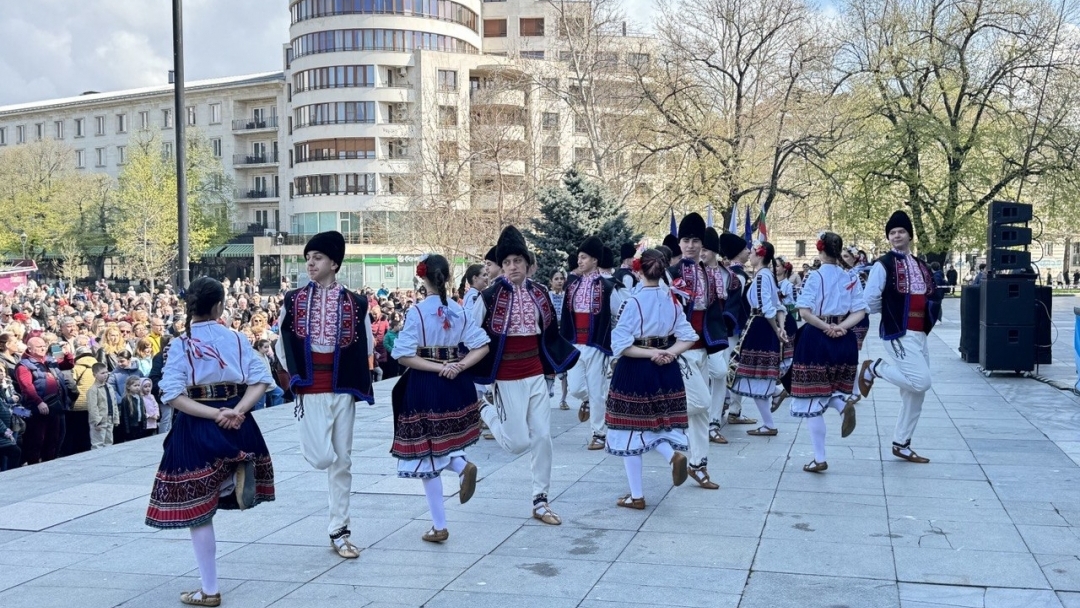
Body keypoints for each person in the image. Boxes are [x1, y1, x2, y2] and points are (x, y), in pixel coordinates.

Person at [146, 276, 275, 607]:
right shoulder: (234, 337)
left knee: (199, 513)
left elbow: (172, 394)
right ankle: (234, 477)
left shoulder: (181, 343)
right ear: (219, 306)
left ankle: (210, 588)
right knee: (224, 475)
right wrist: (237, 411)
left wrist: (212, 415)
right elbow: (262, 379)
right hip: (239, 423)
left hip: (197, 425)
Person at [471, 226, 579, 525]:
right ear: (501, 267)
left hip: (534, 374)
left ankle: (540, 499)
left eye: (517, 260)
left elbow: (550, 333)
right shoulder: (490, 296)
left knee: (543, 437)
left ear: (527, 263)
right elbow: (471, 333)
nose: (512, 267)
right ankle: (482, 408)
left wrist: (556, 364)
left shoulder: (540, 293)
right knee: (517, 443)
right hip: (505, 378)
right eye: (507, 262)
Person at [276, 231, 374, 559]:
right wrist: (294, 377)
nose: (310, 263)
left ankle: (340, 529)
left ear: (334, 263)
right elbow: (281, 343)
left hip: (341, 387)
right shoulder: (294, 299)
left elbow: (367, 344)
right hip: (309, 388)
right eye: (308, 258)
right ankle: (338, 517)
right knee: (321, 457)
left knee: (343, 460)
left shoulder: (356, 302)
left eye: (317, 258)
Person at [391, 254, 489, 542]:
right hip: (456, 385)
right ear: (446, 278)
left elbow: (404, 355)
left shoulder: (418, 312)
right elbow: (482, 345)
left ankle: (440, 524)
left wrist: (439, 367)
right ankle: (459, 469)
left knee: (426, 453)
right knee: (440, 446)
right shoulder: (459, 310)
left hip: (426, 385)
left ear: (423, 278)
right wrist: (458, 365)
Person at [605, 249, 696, 509]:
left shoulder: (632, 301)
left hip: (636, 369)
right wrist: (667, 352)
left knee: (630, 430)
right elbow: (688, 337)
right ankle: (671, 455)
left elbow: (621, 345)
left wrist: (651, 352)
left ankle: (637, 495)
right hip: (666, 370)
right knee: (657, 424)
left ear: (638, 270)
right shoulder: (672, 298)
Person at [859, 210, 943, 464]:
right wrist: (889, 311)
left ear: (909, 235)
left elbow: (929, 294)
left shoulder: (920, 264)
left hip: (919, 332)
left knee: (915, 393)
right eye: (892, 232)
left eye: (901, 231)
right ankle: (875, 368)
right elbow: (870, 299)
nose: (896, 235)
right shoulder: (883, 265)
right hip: (899, 331)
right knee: (921, 382)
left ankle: (901, 443)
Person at [789, 232, 867, 472]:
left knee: (810, 399)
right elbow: (861, 311)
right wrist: (841, 327)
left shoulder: (815, 276)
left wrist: (826, 327)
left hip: (816, 339)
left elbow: (804, 311)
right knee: (829, 389)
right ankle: (843, 406)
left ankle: (819, 457)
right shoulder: (850, 277)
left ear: (821, 251)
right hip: (844, 342)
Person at [668, 213, 726, 490]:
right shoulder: (673, 272)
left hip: (702, 347)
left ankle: (698, 463)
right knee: (701, 402)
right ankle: (667, 439)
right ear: (679, 243)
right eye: (686, 240)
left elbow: (714, 311)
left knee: (700, 412)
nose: (690, 246)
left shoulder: (707, 272)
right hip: (682, 349)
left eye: (695, 241)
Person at [562, 236, 624, 450]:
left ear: (595, 260)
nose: (580, 261)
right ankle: (590, 400)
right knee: (576, 388)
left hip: (596, 343)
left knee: (597, 390)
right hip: (574, 343)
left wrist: (616, 339)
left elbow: (622, 312)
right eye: (579, 257)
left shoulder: (608, 286)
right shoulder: (572, 285)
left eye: (584, 257)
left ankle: (599, 433)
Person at [729, 241, 788, 437]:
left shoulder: (762, 276)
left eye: (753, 252)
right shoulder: (766, 276)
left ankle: (770, 419)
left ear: (760, 255)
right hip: (760, 327)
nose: (750, 255)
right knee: (755, 375)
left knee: (755, 374)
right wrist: (780, 328)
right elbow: (778, 305)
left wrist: (776, 329)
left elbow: (767, 307)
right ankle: (774, 397)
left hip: (759, 328)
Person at [15, 336, 75, 464]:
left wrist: (66, 353)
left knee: (53, 439)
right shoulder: (23, 366)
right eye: (38, 347)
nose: (42, 348)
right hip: (37, 409)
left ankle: (50, 466)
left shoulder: (49, 359)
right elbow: (27, 388)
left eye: (44, 346)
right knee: (36, 441)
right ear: (29, 349)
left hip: (55, 406)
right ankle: (33, 467)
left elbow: (68, 364)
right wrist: (39, 402)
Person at [87, 363, 120, 449]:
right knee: (98, 444)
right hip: (100, 420)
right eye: (102, 373)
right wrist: (96, 421)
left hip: (109, 419)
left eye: (106, 372)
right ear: (95, 375)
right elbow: (92, 407)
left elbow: (114, 403)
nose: (105, 375)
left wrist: (116, 418)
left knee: (109, 442)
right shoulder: (93, 390)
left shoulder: (109, 387)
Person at [0, 366, 22, 470]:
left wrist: (24, 412)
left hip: (12, 422)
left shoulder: (7, 384)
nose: (2, 374)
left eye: (3, 371)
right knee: (14, 451)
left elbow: (9, 405)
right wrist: (4, 430)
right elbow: (7, 403)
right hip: (4, 430)